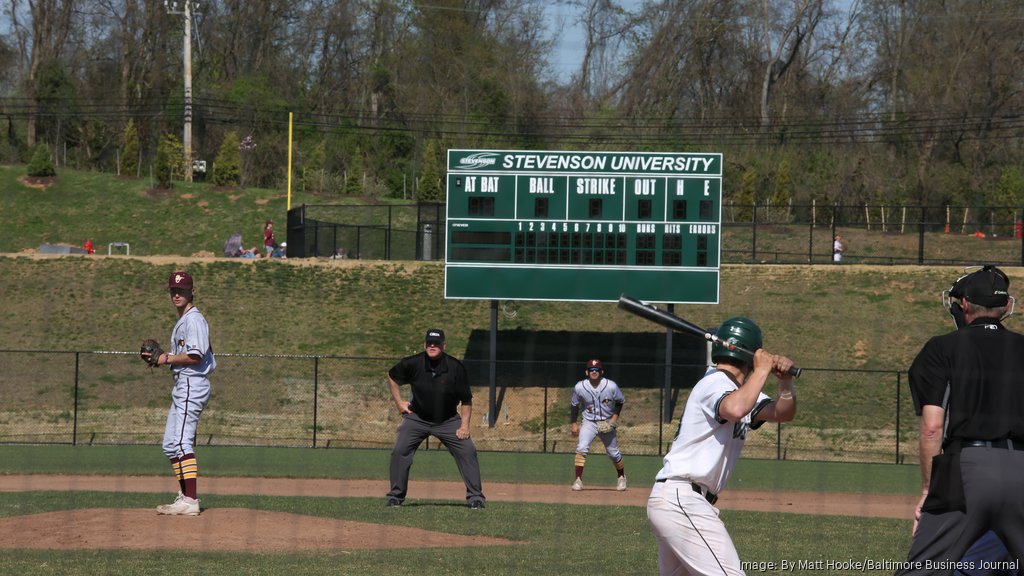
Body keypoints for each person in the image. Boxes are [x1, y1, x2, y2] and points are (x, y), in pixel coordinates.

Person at [897, 265, 1024, 574]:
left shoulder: (942, 347)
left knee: (924, 569)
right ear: (1006, 306)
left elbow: (931, 428)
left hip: (966, 469)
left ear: (964, 304)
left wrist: (929, 491)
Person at [647, 317, 797, 576]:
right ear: (751, 355)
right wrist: (762, 371)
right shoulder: (715, 382)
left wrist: (785, 383)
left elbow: (783, 413)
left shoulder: (737, 389)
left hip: (682, 502)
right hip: (683, 499)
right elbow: (736, 409)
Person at [142, 271, 216, 516]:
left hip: (191, 384)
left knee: (182, 442)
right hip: (183, 384)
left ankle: (191, 499)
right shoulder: (184, 320)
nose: (177, 294)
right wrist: (166, 361)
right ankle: (185, 496)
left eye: (182, 290)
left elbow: (195, 356)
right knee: (170, 444)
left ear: (191, 291)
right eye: (173, 290)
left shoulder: (194, 320)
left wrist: (166, 358)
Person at [386, 328, 486, 509]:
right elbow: (392, 376)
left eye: (437, 343)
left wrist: (464, 426)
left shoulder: (456, 367)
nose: (433, 346)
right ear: (425, 345)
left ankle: (476, 498)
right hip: (417, 418)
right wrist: (399, 403)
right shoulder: (413, 363)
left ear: (444, 345)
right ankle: (395, 496)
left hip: (448, 420)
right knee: (400, 450)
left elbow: (466, 400)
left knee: (467, 451)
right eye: (429, 343)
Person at [569, 358, 627, 491]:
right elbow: (574, 404)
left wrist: (614, 419)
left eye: (596, 370)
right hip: (589, 422)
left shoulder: (611, 385)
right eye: (591, 370)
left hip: (607, 421)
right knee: (582, 447)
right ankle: (578, 480)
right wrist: (574, 423)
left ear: (601, 371)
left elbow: (620, 401)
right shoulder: (580, 387)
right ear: (586, 372)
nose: (594, 372)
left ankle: (621, 477)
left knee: (613, 453)